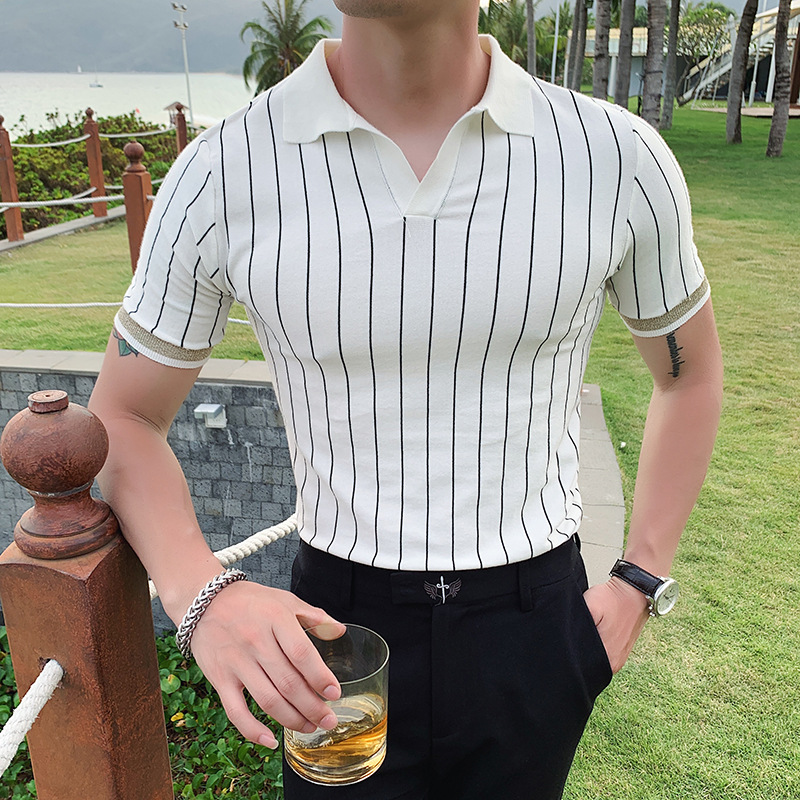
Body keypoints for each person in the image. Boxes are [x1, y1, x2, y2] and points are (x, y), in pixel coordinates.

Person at [88, 1, 723, 798]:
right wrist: (201, 592)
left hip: (535, 623)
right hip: (336, 631)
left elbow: (689, 374)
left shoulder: (615, 156)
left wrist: (640, 578)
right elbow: (121, 415)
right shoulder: (223, 170)